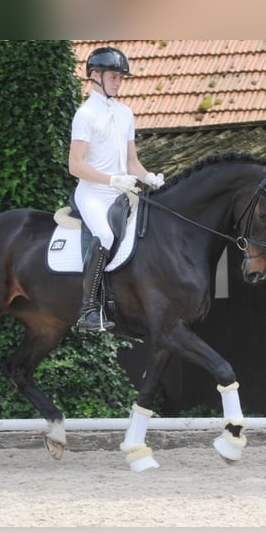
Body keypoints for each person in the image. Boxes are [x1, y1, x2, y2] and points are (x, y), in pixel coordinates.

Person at [68, 46, 164, 332]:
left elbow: (131, 161)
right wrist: (111, 180)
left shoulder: (125, 113)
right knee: (106, 235)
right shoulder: (85, 115)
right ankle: (88, 311)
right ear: (95, 76)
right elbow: (75, 165)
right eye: (113, 76)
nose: (118, 82)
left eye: (121, 77)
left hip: (121, 194)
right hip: (93, 193)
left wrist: (149, 177)